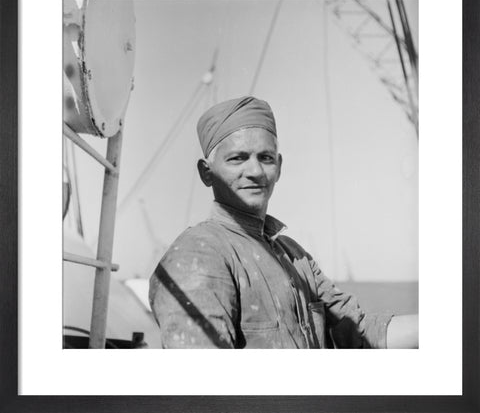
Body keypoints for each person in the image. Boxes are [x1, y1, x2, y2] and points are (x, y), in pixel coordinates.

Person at [149, 96, 418, 349]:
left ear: (278, 167)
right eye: (237, 158)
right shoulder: (200, 253)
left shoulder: (294, 256)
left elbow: (359, 332)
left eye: (265, 158)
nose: (255, 171)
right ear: (206, 173)